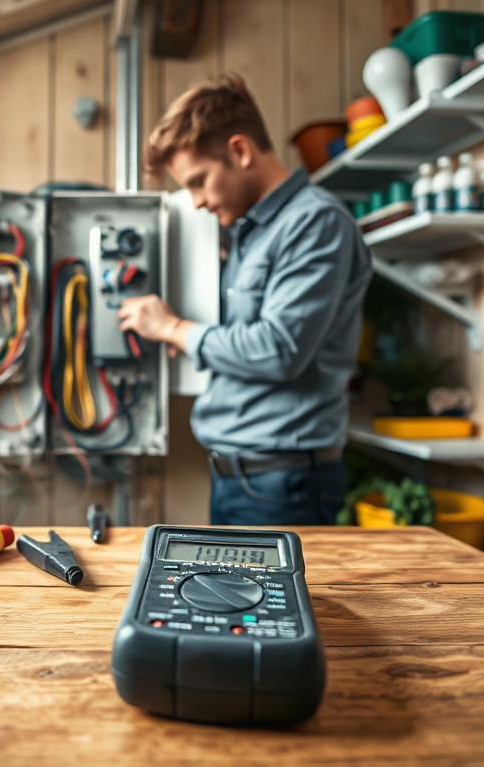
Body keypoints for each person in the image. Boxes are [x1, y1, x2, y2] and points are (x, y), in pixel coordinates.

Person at [117, 74, 372, 526]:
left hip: (283, 485)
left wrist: (173, 328)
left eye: (198, 181)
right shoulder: (249, 235)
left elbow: (279, 350)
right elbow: (247, 340)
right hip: (240, 478)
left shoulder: (314, 223)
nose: (195, 202)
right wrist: (196, 342)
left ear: (239, 150)